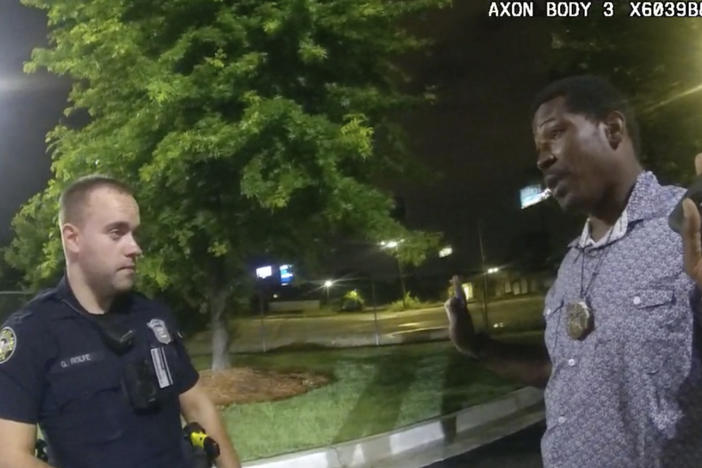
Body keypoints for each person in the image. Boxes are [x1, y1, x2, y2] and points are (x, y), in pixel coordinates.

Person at [445, 75, 702, 467]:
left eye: (555, 134)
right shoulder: (570, 268)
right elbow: (563, 372)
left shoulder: (688, 226)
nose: (542, 158)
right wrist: (475, 345)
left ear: (612, 129)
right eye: (538, 147)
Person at [0, 175, 241, 468]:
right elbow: (10, 456)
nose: (134, 247)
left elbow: (197, 405)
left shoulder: (153, 317)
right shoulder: (31, 333)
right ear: (72, 238)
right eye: (117, 233)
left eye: (134, 233)